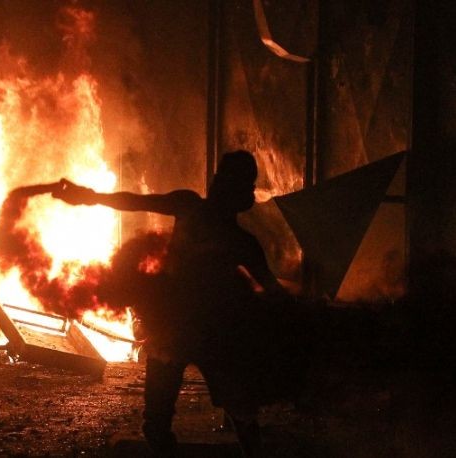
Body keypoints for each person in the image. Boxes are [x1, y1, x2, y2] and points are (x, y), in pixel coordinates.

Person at [52, 150, 289, 457]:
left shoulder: (213, 223)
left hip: (196, 330)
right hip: (189, 330)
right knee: (223, 414)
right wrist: (89, 196)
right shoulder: (223, 229)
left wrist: (90, 197)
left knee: (226, 412)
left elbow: (271, 290)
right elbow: (135, 200)